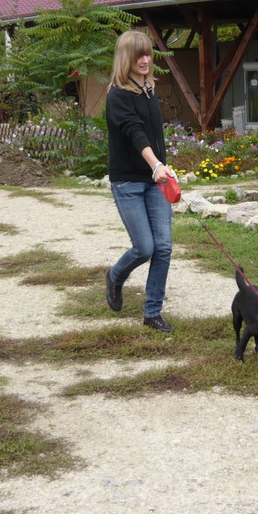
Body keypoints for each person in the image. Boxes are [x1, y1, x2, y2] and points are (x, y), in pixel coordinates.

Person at [103, 30, 177, 333]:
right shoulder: (117, 96)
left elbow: (154, 135)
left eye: (148, 54)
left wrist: (163, 166)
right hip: (128, 182)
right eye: (138, 56)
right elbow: (134, 132)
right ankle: (115, 276)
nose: (145, 60)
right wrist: (155, 164)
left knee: (164, 247)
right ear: (126, 59)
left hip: (154, 179)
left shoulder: (148, 89)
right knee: (145, 248)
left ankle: (152, 312)